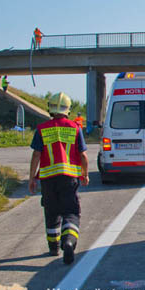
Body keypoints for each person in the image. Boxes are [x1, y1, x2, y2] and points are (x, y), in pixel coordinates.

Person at [28, 92, 89, 264]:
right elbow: (83, 155)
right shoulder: (75, 128)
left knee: (51, 212)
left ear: (50, 108)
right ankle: (69, 241)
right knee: (71, 212)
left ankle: (53, 247)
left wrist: (32, 178)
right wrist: (84, 174)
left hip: (48, 179)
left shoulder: (42, 128)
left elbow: (36, 155)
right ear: (68, 109)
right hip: (69, 178)